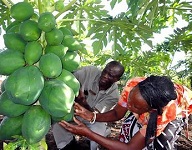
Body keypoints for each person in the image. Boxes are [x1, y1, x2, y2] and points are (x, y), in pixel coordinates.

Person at [59, 75, 192, 150]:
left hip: (179, 109)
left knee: (159, 146)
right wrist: (92, 116)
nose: (128, 105)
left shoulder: (163, 115)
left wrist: (88, 133)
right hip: (152, 102)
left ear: (150, 110)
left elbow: (131, 148)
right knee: (129, 126)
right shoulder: (133, 85)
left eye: (135, 106)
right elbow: (118, 113)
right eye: (129, 100)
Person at [52, 60, 125, 150]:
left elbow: (95, 115)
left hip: (92, 119)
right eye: (105, 71)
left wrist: (83, 102)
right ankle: (68, 145)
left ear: (116, 80)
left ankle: (91, 146)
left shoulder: (113, 96)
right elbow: (68, 78)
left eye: (110, 75)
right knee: (58, 124)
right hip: (72, 112)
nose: (105, 76)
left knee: (99, 129)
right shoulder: (89, 72)